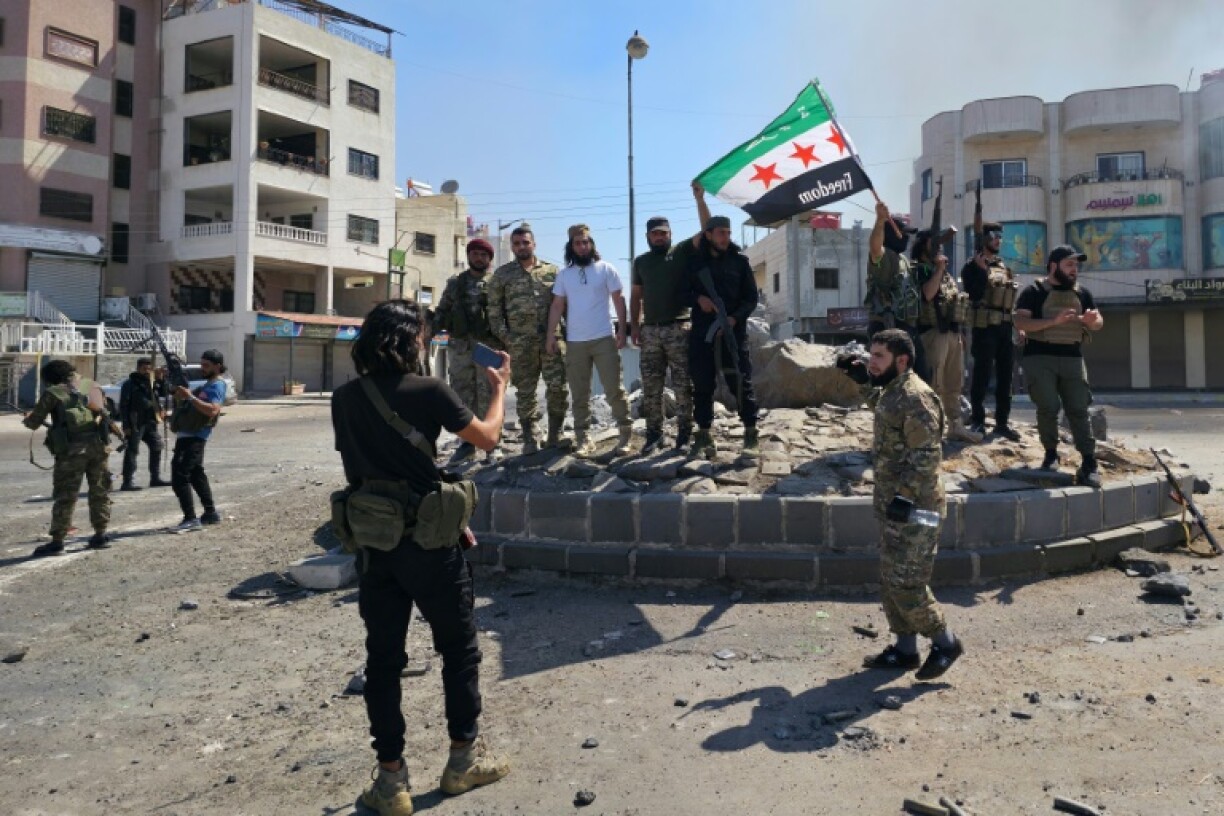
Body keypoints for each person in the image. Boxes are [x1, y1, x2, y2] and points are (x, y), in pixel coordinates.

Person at [331, 300, 511, 815]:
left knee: (383, 662)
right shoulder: (430, 390)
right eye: (424, 338)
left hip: (376, 547)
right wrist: (498, 389)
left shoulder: (344, 398)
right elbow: (488, 438)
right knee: (459, 652)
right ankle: (462, 762)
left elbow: (361, 470)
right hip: (431, 547)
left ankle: (391, 783)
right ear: (412, 341)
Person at [857, 329, 963, 680]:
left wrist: (903, 497)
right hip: (895, 507)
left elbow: (926, 455)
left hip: (918, 510)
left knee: (906, 584)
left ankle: (945, 642)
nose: (872, 361)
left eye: (879, 357)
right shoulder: (893, 390)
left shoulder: (916, 397)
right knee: (891, 580)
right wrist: (860, 379)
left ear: (902, 361)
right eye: (871, 354)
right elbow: (884, 409)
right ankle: (905, 651)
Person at [629, 182, 711, 454]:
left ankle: (684, 434)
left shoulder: (681, 252)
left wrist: (699, 200)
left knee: (682, 385)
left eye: (663, 233)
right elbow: (636, 296)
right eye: (655, 234)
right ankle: (654, 435)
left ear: (670, 234)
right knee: (651, 387)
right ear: (648, 236)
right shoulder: (640, 262)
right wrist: (634, 326)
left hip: (679, 328)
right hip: (650, 331)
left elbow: (708, 232)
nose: (659, 237)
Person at [1013, 246, 1105, 487]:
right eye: (1069, 265)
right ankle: (1051, 454)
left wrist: (1092, 321)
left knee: (1079, 409)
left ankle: (1088, 461)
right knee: (1048, 407)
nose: (1075, 270)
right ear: (1053, 266)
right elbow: (1020, 321)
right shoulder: (1033, 291)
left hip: (1073, 357)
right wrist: (1053, 321)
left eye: (1076, 265)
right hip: (1039, 357)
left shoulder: (1082, 293)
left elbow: (1097, 322)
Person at [546, 224, 633, 458]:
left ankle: (625, 433)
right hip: (575, 343)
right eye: (578, 243)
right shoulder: (564, 275)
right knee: (579, 394)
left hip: (604, 338)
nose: (583, 246)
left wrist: (622, 331)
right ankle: (583, 438)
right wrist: (550, 335)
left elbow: (618, 300)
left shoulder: (606, 269)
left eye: (586, 242)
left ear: (591, 244)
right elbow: (557, 306)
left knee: (614, 389)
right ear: (571, 247)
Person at [486, 225, 568, 455]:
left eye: (525, 242)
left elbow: (564, 306)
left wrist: (568, 335)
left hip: (551, 341)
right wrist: (508, 338)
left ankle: (555, 434)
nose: (521, 247)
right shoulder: (502, 275)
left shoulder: (553, 272)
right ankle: (530, 437)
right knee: (525, 392)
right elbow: (494, 311)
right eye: (516, 243)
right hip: (520, 344)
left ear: (534, 244)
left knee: (558, 388)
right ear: (512, 246)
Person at [687, 213, 760, 459]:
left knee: (740, 381)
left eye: (728, 233)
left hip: (733, 331)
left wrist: (734, 318)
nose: (725, 237)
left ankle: (750, 433)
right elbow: (681, 292)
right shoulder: (696, 262)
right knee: (702, 384)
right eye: (720, 232)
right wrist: (699, 299)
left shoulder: (739, 262)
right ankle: (704, 434)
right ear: (708, 234)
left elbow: (751, 298)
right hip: (702, 333)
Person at [22, 360, 113, 556]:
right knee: (99, 491)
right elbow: (104, 411)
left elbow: (33, 423)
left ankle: (57, 542)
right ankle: (100, 535)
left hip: (71, 452)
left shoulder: (54, 392)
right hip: (98, 447)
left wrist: (28, 418)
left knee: (66, 496)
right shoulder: (90, 384)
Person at [434, 237, 503, 464]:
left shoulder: (497, 283)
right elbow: (442, 311)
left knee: (490, 393)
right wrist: (429, 330)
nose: (479, 258)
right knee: (463, 394)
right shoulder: (455, 283)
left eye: (484, 255)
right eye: (475, 254)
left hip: (487, 347)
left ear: (489, 259)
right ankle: (467, 443)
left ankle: (493, 444)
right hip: (461, 348)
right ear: (469, 256)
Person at [910, 231, 981, 444]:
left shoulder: (946, 274)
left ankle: (955, 425)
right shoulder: (919, 270)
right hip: (932, 332)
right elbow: (927, 295)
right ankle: (932, 427)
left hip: (952, 332)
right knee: (935, 381)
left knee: (954, 382)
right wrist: (939, 269)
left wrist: (960, 333)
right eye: (935, 244)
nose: (939, 249)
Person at [961, 222, 1022, 440]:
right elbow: (975, 295)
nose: (998, 240)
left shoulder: (1003, 267)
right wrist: (980, 270)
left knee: (1006, 377)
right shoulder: (971, 266)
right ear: (983, 239)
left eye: (1000, 236)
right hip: (984, 327)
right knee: (981, 376)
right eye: (994, 235)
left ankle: (1002, 423)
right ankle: (978, 420)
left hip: (1005, 327)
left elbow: (1009, 300)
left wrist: (1017, 328)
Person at [865, 201, 930, 382]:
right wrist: (880, 221)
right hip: (888, 325)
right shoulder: (886, 258)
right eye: (902, 233)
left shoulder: (902, 260)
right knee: (890, 378)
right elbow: (875, 249)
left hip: (906, 327)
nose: (906, 238)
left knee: (921, 377)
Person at [167, 349, 226, 532]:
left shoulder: (217, 385)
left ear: (217, 366)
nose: (203, 368)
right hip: (188, 435)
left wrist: (190, 397)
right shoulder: (207, 385)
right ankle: (210, 512)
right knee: (195, 474)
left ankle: (190, 518)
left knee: (179, 477)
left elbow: (213, 410)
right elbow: (187, 402)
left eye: (206, 365)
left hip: (195, 437)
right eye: (202, 364)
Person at [118, 357, 171, 490]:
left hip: (151, 421)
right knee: (132, 450)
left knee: (157, 446)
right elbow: (123, 405)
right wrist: (126, 425)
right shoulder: (130, 384)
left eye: (149, 367)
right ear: (138, 368)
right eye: (144, 367)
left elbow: (165, 393)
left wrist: (162, 379)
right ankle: (127, 482)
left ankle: (155, 478)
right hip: (135, 421)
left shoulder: (153, 383)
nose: (147, 370)